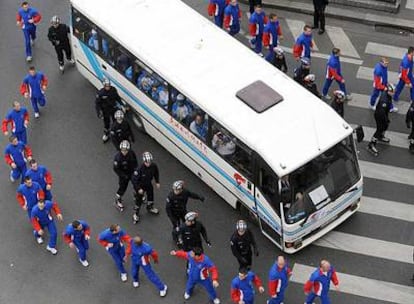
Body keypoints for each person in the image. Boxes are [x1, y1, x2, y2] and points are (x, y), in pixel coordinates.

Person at [131, 152, 160, 223]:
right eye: (147, 162)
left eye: (150, 162)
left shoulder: (154, 166)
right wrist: (138, 189)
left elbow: (156, 173)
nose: (148, 163)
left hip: (148, 184)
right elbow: (134, 180)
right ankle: (136, 213)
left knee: (151, 195)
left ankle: (150, 207)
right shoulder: (139, 169)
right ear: (144, 161)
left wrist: (157, 182)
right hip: (140, 186)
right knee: (139, 200)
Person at [368, 84, 395, 156]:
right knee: (379, 129)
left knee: (385, 126)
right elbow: (381, 112)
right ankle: (371, 144)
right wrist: (385, 120)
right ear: (389, 91)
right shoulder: (384, 100)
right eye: (392, 92)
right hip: (380, 116)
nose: (393, 93)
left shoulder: (387, 94)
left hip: (383, 114)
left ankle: (380, 136)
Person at [113, 140, 138, 211]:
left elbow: (135, 162)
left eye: (126, 150)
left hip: (132, 172)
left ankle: (137, 196)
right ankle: (118, 199)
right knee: (122, 188)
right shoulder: (118, 158)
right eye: (123, 150)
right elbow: (116, 169)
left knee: (136, 185)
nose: (124, 152)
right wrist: (123, 175)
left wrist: (136, 170)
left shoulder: (131, 153)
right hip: (124, 176)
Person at [95, 78, 121, 143]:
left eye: (109, 85)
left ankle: (116, 132)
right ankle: (106, 134)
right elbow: (97, 104)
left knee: (115, 121)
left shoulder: (113, 90)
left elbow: (117, 98)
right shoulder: (100, 93)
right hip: (105, 110)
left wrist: (122, 104)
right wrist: (98, 112)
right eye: (106, 86)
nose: (108, 87)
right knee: (107, 123)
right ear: (104, 86)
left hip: (113, 108)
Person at [393, 46, 414, 113]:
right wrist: (408, 82)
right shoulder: (406, 62)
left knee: (412, 86)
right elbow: (404, 75)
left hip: (408, 74)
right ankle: (395, 97)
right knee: (400, 86)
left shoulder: (410, 57)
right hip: (404, 75)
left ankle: (412, 99)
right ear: (411, 53)